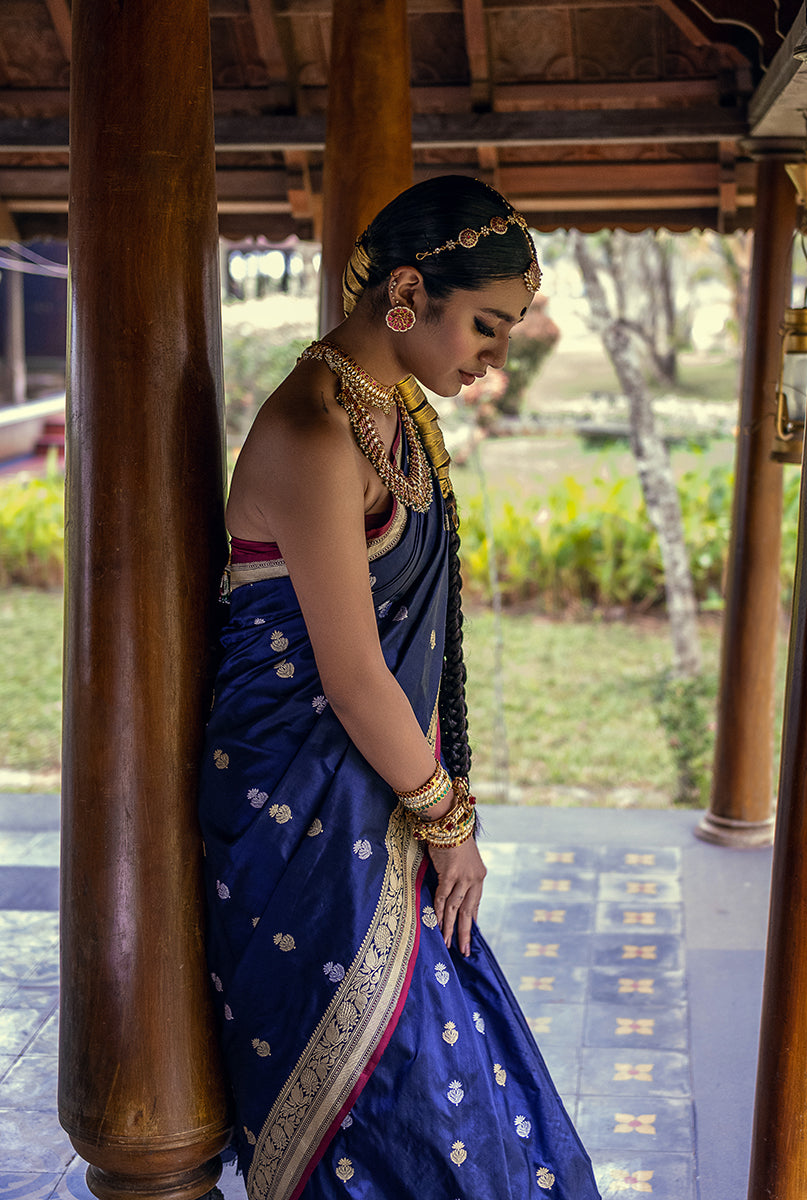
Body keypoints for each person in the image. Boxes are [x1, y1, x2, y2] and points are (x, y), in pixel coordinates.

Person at [198, 176, 601, 1200]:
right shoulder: (313, 432)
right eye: (487, 326)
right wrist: (447, 821)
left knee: (455, 1093)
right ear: (410, 293)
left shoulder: (397, 418)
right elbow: (351, 676)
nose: (496, 355)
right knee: (387, 1105)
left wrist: (431, 814)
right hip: (304, 812)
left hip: (383, 795)